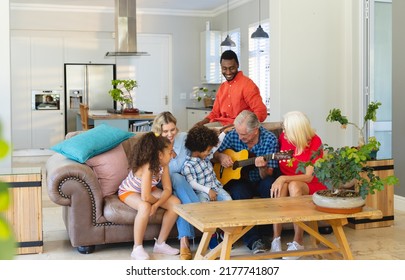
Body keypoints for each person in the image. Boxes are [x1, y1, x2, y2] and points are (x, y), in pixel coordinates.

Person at [213, 110, 280, 254]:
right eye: (238, 133)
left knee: (270, 186)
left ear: (255, 131)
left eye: (243, 135)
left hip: (260, 179)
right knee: (238, 192)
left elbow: (268, 174)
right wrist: (221, 157)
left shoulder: (270, 139)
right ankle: (253, 240)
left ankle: (267, 233)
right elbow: (213, 153)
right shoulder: (232, 135)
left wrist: (262, 167)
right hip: (240, 181)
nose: (238, 137)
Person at [269, 111, 327, 259]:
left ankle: (298, 240)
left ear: (297, 131)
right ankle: (276, 240)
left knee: (293, 185)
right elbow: (283, 157)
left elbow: (308, 177)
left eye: (287, 130)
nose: (283, 132)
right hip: (287, 180)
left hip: (311, 184)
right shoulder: (284, 138)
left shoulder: (315, 142)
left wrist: (283, 178)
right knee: (281, 187)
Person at [118, 132, 180, 260]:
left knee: (175, 203)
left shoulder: (164, 165)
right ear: (160, 155)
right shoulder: (148, 166)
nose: (173, 155)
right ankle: (137, 248)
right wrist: (154, 203)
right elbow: (145, 197)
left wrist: (157, 205)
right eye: (170, 152)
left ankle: (160, 243)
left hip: (148, 190)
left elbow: (167, 189)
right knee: (145, 206)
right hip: (129, 191)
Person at [151, 111, 199, 260]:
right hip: (162, 183)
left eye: (173, 129)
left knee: (178, 189)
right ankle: (201, 216)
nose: (170, 134)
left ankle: (184, 241)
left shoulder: (184, 138)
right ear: (159, 131)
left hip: (182, 183)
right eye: (165, 131)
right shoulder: (153, 144)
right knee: (176, 179)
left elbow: (200, 154)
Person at [182, 125, 232, 249]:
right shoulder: (188, 165)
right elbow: (192, 183)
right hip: (202, 192)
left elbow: (216, 146)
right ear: (198, 149)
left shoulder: (206, 155)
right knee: (205, 210)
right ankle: (212, 236)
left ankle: (225, 233)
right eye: (208, 150)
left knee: (229, 202)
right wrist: (207, 190)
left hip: (215, 187)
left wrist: (224, 133)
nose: (210, 152)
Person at [195, 50, 268, 127]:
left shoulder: (247, 85)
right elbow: (215, 113)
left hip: (238, 127)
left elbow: (261, 111)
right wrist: (201, 123)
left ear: (237, 65)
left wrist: (245, 127)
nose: (228, 72)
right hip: (221, 124)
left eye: (231, 68)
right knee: (197, 131)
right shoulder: (222, 87)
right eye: (224, 68)